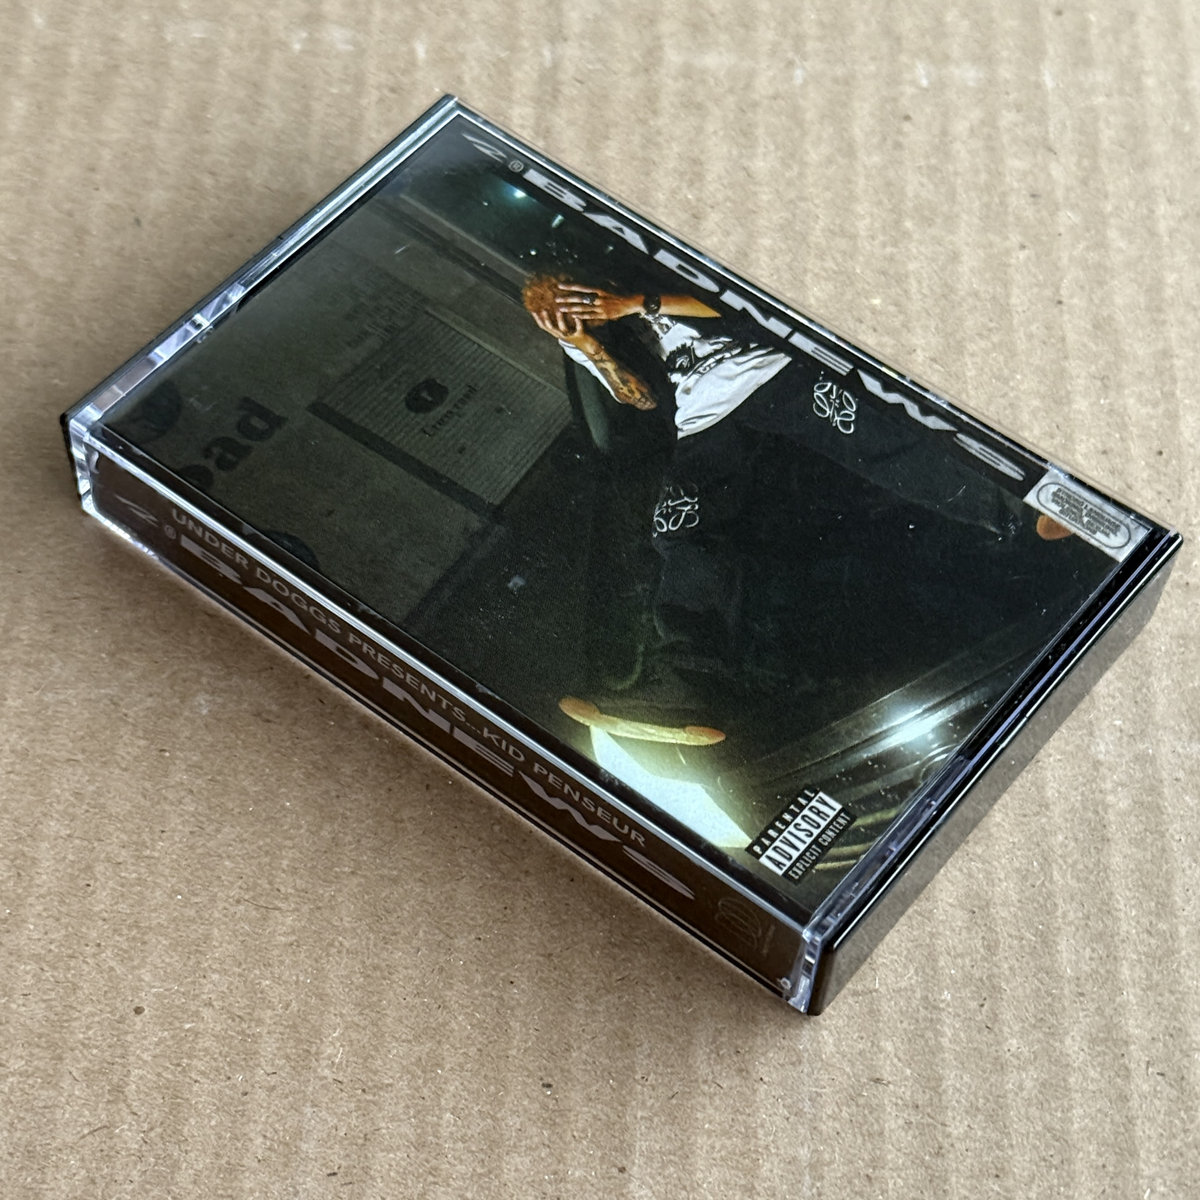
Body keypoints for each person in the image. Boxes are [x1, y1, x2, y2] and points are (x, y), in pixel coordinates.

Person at [522, 274, 1069, 745]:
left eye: (580, 303)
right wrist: (586, 345)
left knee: (876, 440)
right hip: (704, 423)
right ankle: (683, 686)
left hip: (775, 372)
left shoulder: (643, 275)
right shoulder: (594, 334)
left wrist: (636, 302)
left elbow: (735, 303)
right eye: (569, 315)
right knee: (680, 533)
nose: (584, 314)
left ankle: (1022, 510)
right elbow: (638, 397)